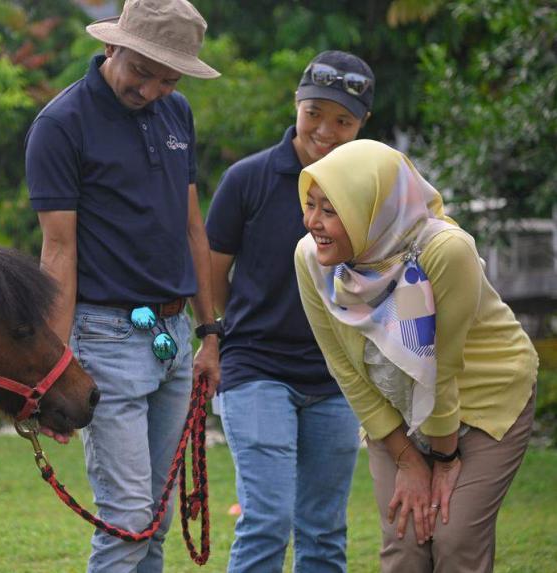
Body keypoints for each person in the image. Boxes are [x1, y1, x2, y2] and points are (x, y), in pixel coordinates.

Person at [24, 1, 221, 571]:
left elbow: (192, 226)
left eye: (169, 78)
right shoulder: (61, 126)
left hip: (175, 334)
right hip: (106, 336)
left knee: (155, 521)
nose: (153, 89)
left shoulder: (176, 113)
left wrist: (209, 334)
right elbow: (58, 252)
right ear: (113, 46)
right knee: (129, 519)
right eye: (142, 71)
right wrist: (53, 369)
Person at [294, 139, 538, 573]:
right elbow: (344, 368)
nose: (313, 222)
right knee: (405, 541)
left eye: (330, 211)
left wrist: (443, 461)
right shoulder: (312, 259)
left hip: (485, 400)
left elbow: (440, 370)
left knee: (454, 538)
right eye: (310, 204)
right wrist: (408, 459)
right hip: (397, 409)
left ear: (369, 208)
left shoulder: (444, 251)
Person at [204, 50, 375, 572]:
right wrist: (219, 336)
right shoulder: (247, 179)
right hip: (257, 369)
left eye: (343, 120)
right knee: (269, 519)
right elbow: (212, 271)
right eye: (315, 113)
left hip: (337, 377)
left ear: (362, 124)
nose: (326, 129)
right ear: (296, 105)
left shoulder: (372, 188)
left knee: (324, 530)